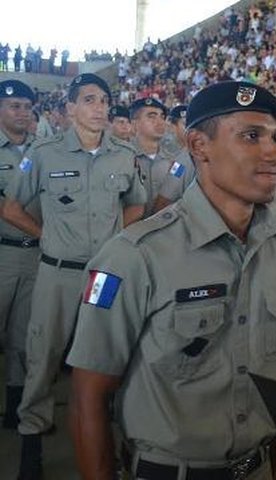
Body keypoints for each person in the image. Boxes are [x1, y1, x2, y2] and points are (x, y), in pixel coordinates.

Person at [65, 80, 276, 480]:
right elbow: (87, 395)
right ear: (199, 146)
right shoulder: (135, 255)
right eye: (251, 136)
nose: (273, 152)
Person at [1, 73, 146, 480]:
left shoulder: (122, 154)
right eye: (89, 100)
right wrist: (47, 236)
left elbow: (137, 205)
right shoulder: (45, 153)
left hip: (103, 276)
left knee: (111, 356)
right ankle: (31, 441)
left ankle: (114, 442)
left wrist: (116, 237)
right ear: (69, 109)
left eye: (104, 100)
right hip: (57, 274)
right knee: (42, 358)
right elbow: (11, 208)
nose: (100, 107)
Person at [0, 80, 40, 431]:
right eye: (14, 106)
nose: (22, 113)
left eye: (27, 107)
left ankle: (14, 410)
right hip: (2, 253)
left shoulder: (43, 150)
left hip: (33, 257)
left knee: (23, 339)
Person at [129, 97, 173, 217]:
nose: (160, 122)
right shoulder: (123, 159)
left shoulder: (174, 162)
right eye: (151, 116)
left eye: (162, 117)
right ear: (134, 124)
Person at [152, 106, 195, 213]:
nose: (190, 128)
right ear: (172, 127)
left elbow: (164, 200)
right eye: (185, 124)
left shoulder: (180, 163)